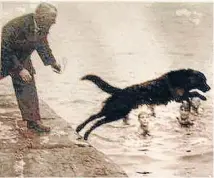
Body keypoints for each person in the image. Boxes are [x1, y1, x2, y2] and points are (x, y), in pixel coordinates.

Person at [1, 2, 61, 133]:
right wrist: (20, 69)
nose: (55, 22)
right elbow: (6, 50)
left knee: (28, 84)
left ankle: (33, 122)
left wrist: (52, 62)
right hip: (4, 55)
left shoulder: (42, 26)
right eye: (52, 18)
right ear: (41, 17)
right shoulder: (15, 26)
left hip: (22, 57)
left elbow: (42, 44)